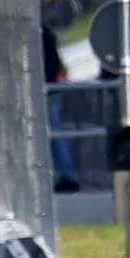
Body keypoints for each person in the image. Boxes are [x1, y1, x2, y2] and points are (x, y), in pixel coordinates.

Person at [46, 23, 81, 194]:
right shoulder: (46, 31)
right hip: (52, 88)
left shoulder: (39, 32)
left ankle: (68, 176)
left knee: (55, 134)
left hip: (47, 89)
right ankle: (65, 175)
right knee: (54, 133)